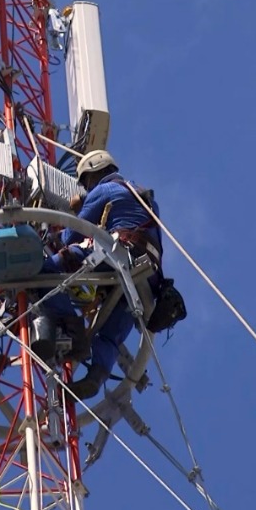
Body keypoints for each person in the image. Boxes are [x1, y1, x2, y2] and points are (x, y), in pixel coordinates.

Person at [51, 149, 164, 400]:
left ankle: (71, 329)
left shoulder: (103, 190)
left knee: (53, 269)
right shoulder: (142, 193)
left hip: (119, 255)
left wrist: (74, 214)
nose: (86, 187)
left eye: (86, 182)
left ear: (95, 172)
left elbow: (73, 236)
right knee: (110, 332)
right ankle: (96, 376)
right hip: (147, 275)